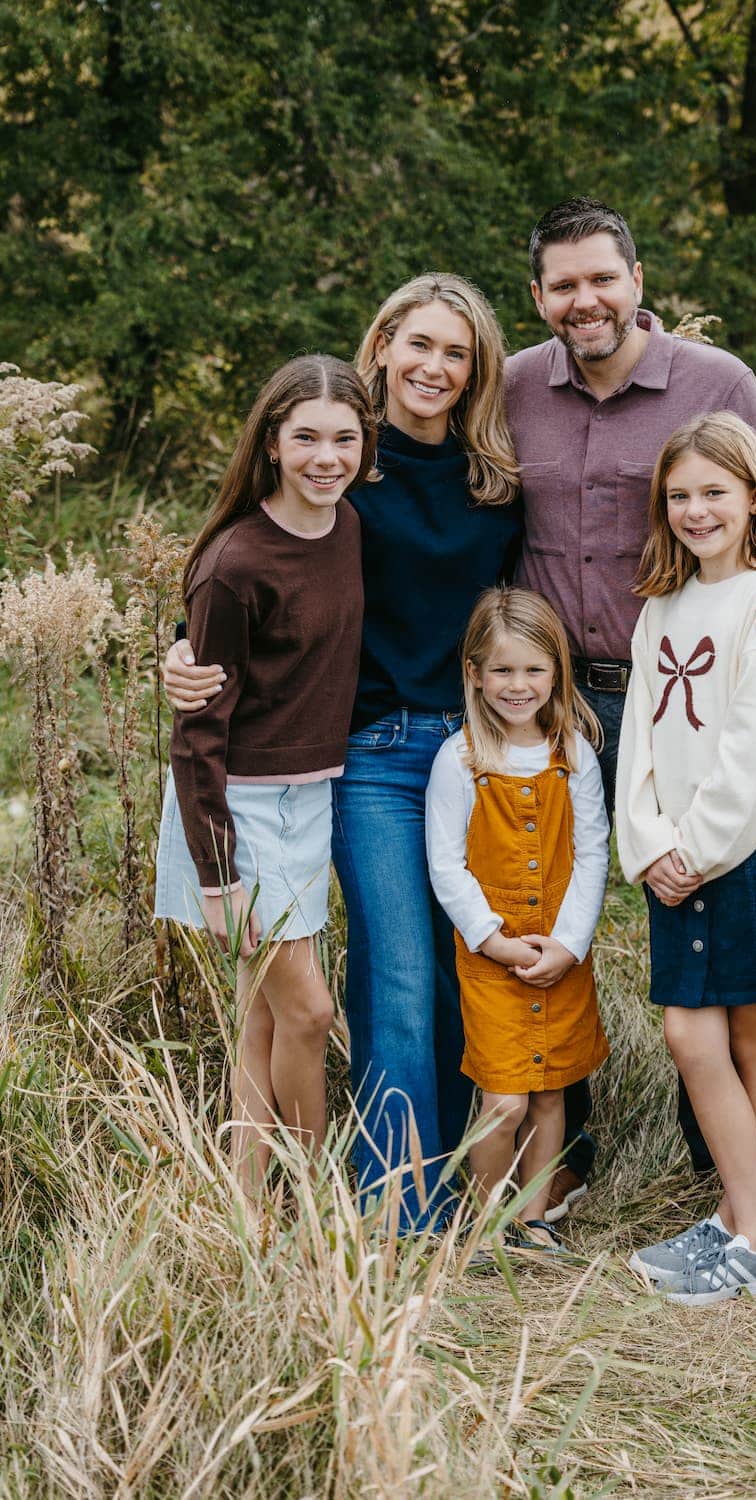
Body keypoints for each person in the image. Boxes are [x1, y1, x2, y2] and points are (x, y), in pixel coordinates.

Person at [163, 275, 521, 1230]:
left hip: (471, 752)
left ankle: (461, 1185)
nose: (435, 367)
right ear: (383, 347)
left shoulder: (495, 480)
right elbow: (247, 568)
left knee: (460, 974)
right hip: (364, 754)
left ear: (478, 366)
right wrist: (182, 656)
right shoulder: (346, 461)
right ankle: (393, 1211)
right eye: (419, 345)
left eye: (457, 351)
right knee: (393, 977)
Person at [505, 197, 756, 1205]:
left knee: (716, 955)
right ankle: (560, 1168)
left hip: (686, 713)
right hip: (558, 710)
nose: (584, 300)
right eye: (562, 285)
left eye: (601, 278)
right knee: (540, 930)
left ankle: (727, 1196)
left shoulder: (716, 383)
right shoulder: (514, 386)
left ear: (637, 279)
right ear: (538, 298)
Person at [616, 412, 756, 1304]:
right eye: (679, 496)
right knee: (692, 1032)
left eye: (714, 492)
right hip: (680, 854)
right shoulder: (662, 609)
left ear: (755, 497)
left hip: (752, 849)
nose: (696, 510)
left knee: (749, 1036)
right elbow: (637, 734)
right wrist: (650, 846)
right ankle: (748, 1228)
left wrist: (698, 850)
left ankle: (752, 1237)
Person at [154, 355, 377, 1198]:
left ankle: (248, 1208)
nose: (328, 457)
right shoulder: (236, 562)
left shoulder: (350, 525)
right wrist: (218, 877)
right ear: (273, 445)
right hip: (236, 811)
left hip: (310, 796)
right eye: (307, 438)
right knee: (312, 1013)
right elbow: (196, 733)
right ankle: (321, 1204)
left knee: (264, 1019)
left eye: (345, 438)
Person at [425, 588, 609, 1249]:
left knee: (552, 1093)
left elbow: (593, 856)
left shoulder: (574, 756)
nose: (518, 685)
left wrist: (567, 944)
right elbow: (447, 866)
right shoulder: (462, 759)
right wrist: (495, 943)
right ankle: (487, 1222)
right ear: (474, 673)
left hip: (559, 957)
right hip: (493, 962)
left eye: (533, 669)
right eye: (501, 670)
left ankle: (534, 1222)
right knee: (503, 1099)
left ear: (556, 672)